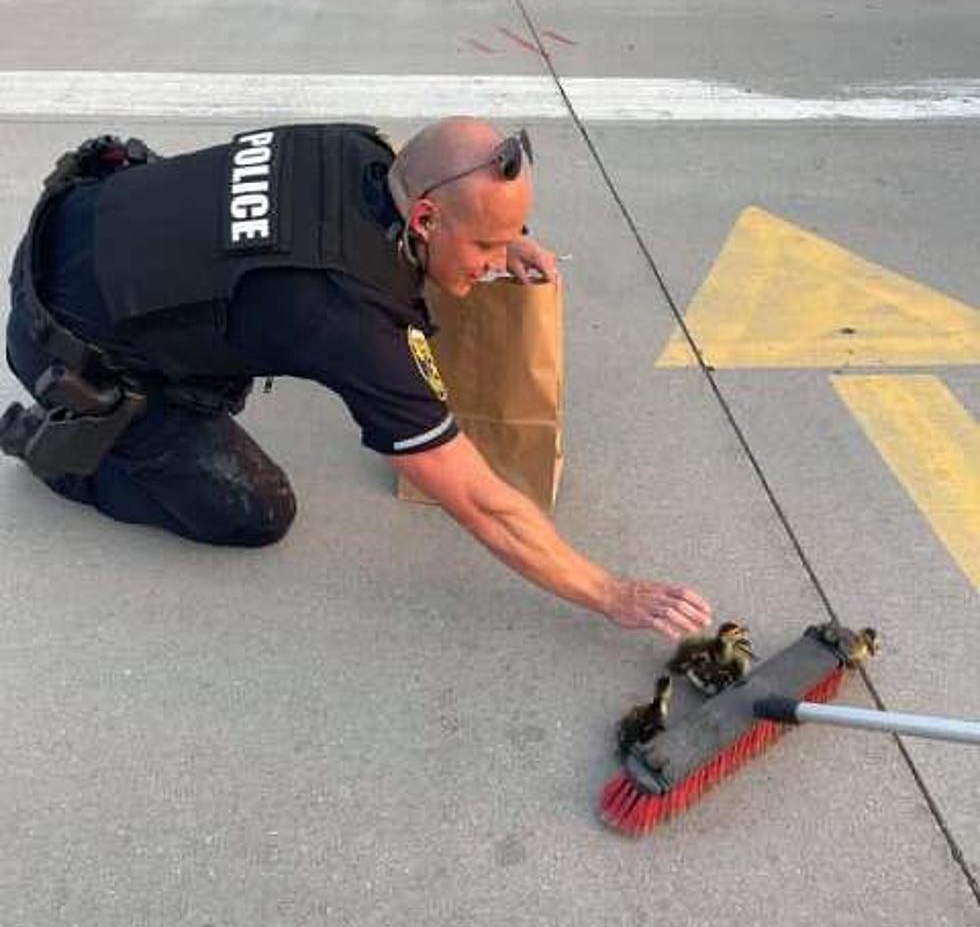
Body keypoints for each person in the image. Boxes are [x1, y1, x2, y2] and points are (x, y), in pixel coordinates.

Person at [3, 117, 711, 641]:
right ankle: (70, 457)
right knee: (256, 512)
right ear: (428, 216)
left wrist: (502, 234)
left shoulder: (359, 149)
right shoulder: (345, 316)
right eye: (488, 244)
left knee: (235, 327)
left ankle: (163, 372)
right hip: (62, 342)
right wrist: (609, 591)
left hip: (75, 218)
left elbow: (418, 188)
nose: (497, 262)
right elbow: (481, 500)